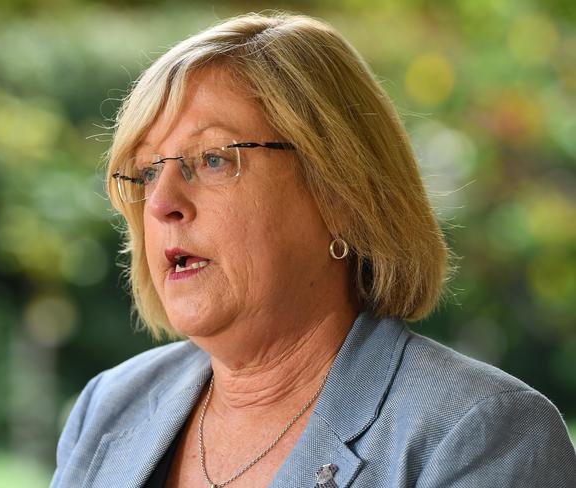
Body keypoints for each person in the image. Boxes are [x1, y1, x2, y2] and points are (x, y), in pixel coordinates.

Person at [51, 12, 576, 488]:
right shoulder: (109, 405)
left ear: (341, 193)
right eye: (146, 171)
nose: (162, 202)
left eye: (212, 159)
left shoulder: (481, 434)